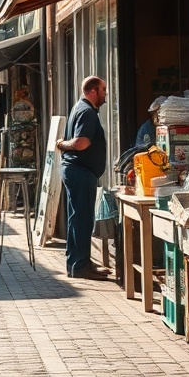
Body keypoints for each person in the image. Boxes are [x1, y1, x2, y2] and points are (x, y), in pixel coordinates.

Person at [56, 76, 109, 280]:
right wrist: (62, 144)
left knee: (76, 218)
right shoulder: (87, 112)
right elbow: (81, 143)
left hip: (77, 171)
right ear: (93, 91)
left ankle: (79, 262)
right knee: (82, 219)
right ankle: (80, 266)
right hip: (80, 172)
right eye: (103, 89)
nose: (105, 94)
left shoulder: (80, 108)